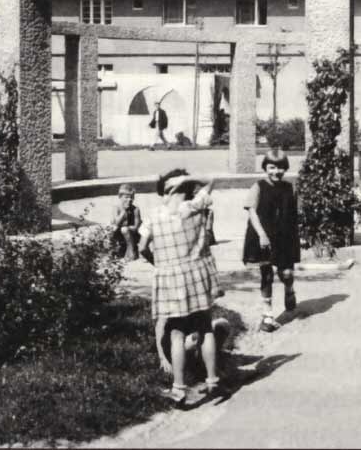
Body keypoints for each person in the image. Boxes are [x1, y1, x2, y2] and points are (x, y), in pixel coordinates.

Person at [138, 169, 222, 406]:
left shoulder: (154, 216)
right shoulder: (193, 207)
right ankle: (213, 380)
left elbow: (143, 245)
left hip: (170, 278)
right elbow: (212, 179)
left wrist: (159, 262)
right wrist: (188, 180)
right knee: (205, 327)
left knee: (176, 333)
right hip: (195, 275)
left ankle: (179, 387)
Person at [242, 148, 300, 333]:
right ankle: (267, 315)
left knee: (287, 274)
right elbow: (252, 212)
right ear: (265, 167)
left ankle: (289, 290)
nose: (276, 172)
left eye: (281, 168)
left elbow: (293, 213)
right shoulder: (258, 186)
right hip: (263, 237)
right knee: (266, 274)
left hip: (284, 237)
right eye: (272, 167)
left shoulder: (289, 188)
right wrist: (262, 235)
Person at [111, 183, 142, 261]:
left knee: (124, 229)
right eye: (126, 197)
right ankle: (113, 250)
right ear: (120, 197)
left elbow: (136, 227)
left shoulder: (135, 209)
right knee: (112, 228)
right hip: (119, 232)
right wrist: (123, 212)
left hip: (133, 234)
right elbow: (116, 223)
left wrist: (127, 228)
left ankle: (132, 251)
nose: (129, 200)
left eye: (131, 197)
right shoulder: (116, 208)